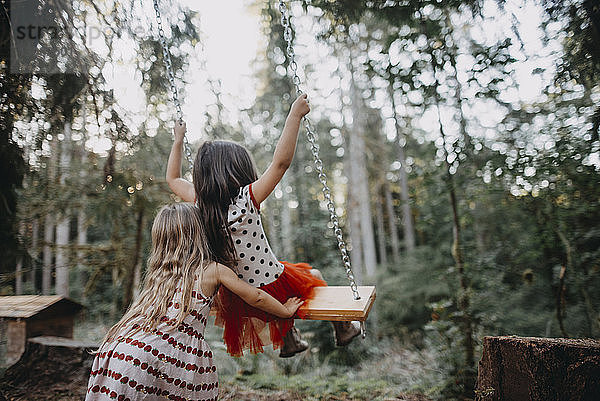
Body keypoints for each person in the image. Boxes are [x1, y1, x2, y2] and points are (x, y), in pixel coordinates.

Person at [166, 93, 360, 358]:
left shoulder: (201, 203)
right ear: (237, 170)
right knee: (312, 276)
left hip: (236, 292)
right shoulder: (247, 198)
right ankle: (344, 330)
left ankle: (290, 340)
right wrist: (294, 115)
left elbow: (173, 179)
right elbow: (280, 163)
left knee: (288, 284)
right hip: (269, 281)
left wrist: (178, 142)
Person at [85, 203, 304, 400]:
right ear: (199, 233)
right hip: (159, 353)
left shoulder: (160, 275)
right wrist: (284, 311)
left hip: (122, 348)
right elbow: (255, 296)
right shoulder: (213, 270)